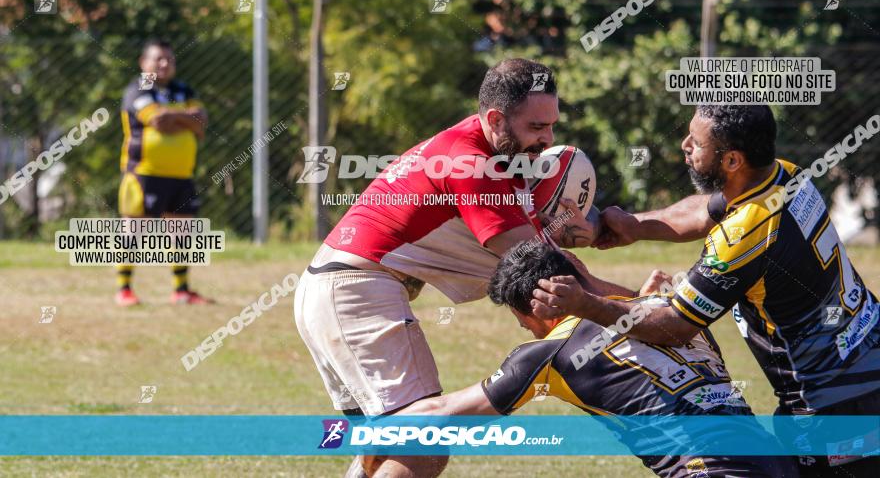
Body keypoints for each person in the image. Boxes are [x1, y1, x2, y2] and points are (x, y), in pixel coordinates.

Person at [295, 59, 619, 478]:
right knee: (422, 448)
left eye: (552, 125)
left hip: (333, 291)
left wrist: (595, 229)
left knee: (383, 449)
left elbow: (539, 243)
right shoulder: (470, 163)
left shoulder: (487, 153)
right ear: (496, 119)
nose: (548, 139)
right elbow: (546, 270)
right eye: (538, 127)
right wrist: (648, 306)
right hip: (356, 294)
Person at [532, 105, 880, 476]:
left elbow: (675, 324)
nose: (684, 145)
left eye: (696, 143)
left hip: (836, 402)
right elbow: (704, 212)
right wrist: (628, 225)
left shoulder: (745, 235)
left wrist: (586, 304)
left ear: (732, 160)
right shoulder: (783, 176)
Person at [386, 242, 798, 478]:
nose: (525, 330)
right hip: (779, 463)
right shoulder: (669, 313)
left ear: (537, 306)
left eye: (521, 319)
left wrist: (367, 431)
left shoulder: (550, 351)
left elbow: (445, 412)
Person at [115, 38, 212, 307]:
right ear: (143, 62)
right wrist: (186, 118)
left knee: (181, 232)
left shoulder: (183, 89)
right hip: (144, 173)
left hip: (181, 174)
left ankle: (181, 291)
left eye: (170, 59)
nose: (165, 64)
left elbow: (202, 120)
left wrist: (174, 117)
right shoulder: (137, 88)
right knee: (134, 230)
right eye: (158, 59)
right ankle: (124, 289)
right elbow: (156, 120)